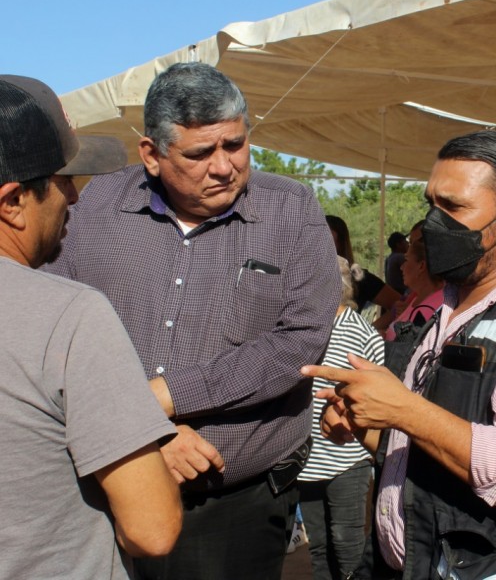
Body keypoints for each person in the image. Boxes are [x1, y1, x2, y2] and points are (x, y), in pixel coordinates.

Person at [45, 63, 340, 580]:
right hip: (103, 486)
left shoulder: (292, 210)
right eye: (200, 154)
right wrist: (146, 426)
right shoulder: (95, 206)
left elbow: (299, 344)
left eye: (235, 144)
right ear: (152, 155)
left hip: (233, 508)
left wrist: (168, 393)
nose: (224, 167)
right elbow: (52, 327)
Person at [303, 130, 496, 579]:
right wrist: (366, 424)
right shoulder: (440, 312)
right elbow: (429, 443)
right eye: (431, 203)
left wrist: (406, 411)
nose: (433, 223)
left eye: (454, 207)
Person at [0, 75, 182, 578]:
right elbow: (152, 528)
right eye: (64, 180)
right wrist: (148, 451)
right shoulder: (69, 315)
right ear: (12, 201)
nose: (75, 199)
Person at [298, 256, 385, 580]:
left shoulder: (360, 333)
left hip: (346, 461)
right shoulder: (303, 326)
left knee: (347, 544)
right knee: (318, 547)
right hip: (307, 461)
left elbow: (377, 393)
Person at [326, 214, 402, 316]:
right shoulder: (304, 276)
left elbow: (400, 305)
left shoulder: (357, 276)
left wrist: (372, 329)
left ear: (340, 241)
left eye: (324, 235)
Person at [384, 223, 444, 341]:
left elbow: (405, 341)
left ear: (421, 266)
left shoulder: (433, 305)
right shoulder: (416, 298)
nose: (401, 267)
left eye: (406, 260)